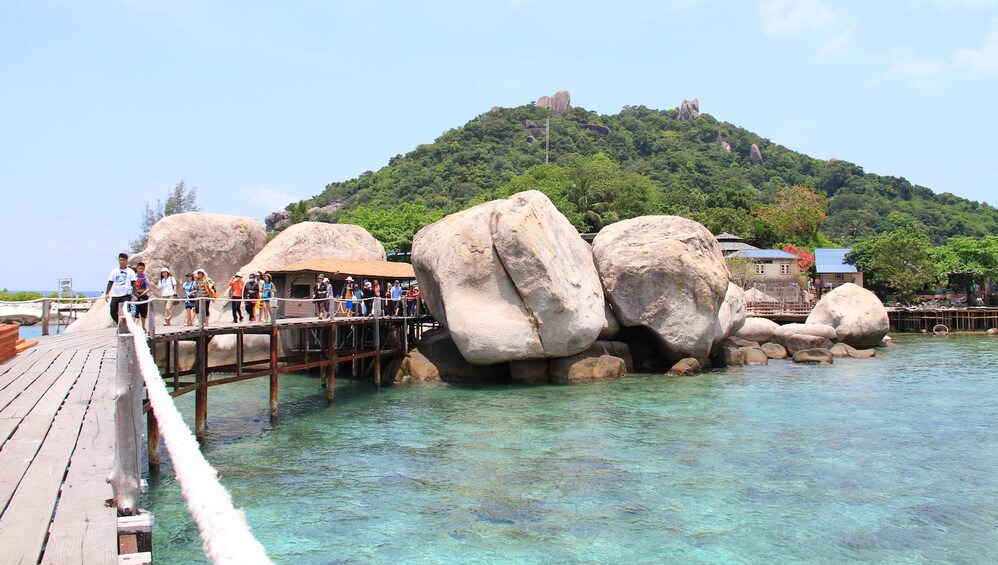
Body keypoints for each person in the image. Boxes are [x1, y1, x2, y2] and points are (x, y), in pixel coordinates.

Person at [104, 252, 137, 324]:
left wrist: (135, 294)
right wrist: (107, 293)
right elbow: (110, 282)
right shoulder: (114, 271)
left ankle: (125, 326)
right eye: (120, 260)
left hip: (126, 294)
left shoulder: (130, 271)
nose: (121, 261)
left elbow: (133, 283)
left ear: (126, 261)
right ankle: (120, 324)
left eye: (123, 260)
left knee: (126, 312)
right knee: (113, 311)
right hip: (116, 294)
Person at [132, 262, 152, 330]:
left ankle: (143, 326)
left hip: (143, 296)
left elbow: (148, 288)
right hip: (135, 296)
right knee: (135, 312)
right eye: (139, 268)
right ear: (137, 269)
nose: (141, 270)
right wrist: (135, 294)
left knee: (143, 312)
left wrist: (142, 294)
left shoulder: (145, 277)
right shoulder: (134, 277)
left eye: (142, 269)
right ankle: (135, 327)